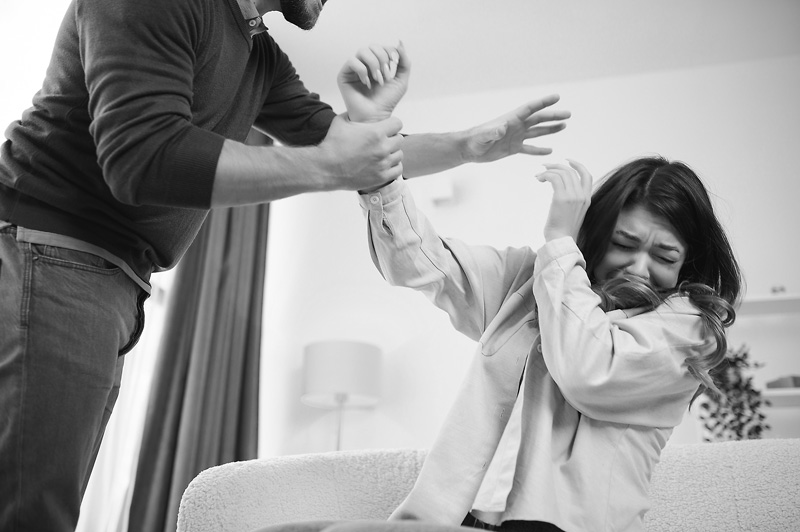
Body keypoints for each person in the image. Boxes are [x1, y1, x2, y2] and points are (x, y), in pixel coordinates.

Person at [0, 2, 571, 531]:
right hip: (50, 252)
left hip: (106, 279)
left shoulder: (259, 55)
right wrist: (330, 166)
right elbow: (143, 157)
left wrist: (469, 145)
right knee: (32, 513)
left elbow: (352, 149)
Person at [346, 48, 742, 532]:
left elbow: (587, 370)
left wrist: (559, 241)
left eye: (665, 256)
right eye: (624, 244)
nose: (639, 267)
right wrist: (374, 136)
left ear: (687, 264)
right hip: (458, 520)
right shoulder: (533, 281)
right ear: (598, 234)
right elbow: (417, 263)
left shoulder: (689, 329)